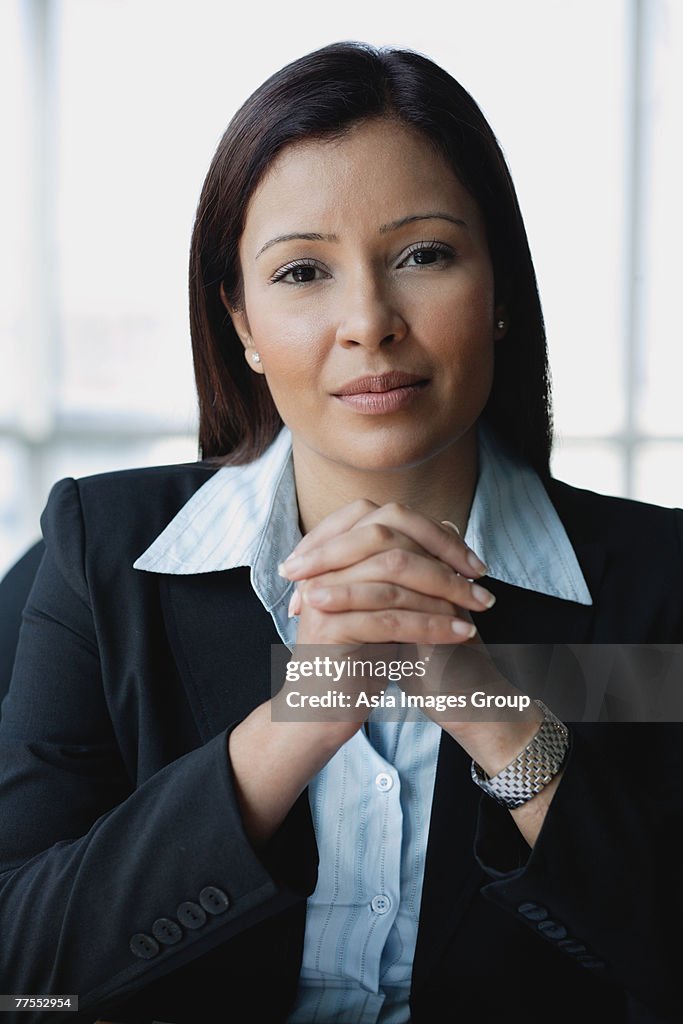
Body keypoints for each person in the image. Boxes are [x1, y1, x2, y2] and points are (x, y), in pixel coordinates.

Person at [0, 40, 681, 1024]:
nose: (368, 320)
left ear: (497, 291)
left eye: (422, 255)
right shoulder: (102, 557)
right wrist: (301, 714)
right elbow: (24, 973)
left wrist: (493, 713)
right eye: (302, 271)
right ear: (239, 319)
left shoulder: (649, 583)